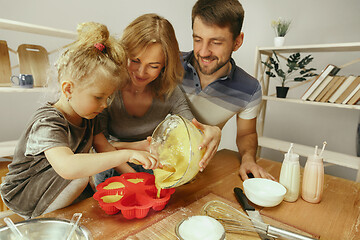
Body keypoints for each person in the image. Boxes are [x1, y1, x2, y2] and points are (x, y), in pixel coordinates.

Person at [0, 22, 159, 219]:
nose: (106, 104)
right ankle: (46, 221)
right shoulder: (48, 122)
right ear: (68, 89)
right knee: (82, 174)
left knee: (87, 181)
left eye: (109, 97)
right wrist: (126, 154)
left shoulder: (89, 116)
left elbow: (105, 148)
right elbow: (68, 167)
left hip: (60, 185)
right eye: (99, 97)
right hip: (27, 195)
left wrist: (136, 179)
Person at [95, 13, 221, 186]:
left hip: (151, 166)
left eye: (153, 66)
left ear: (164, 66)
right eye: (135, 60)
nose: (140, 72)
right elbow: (98, 144)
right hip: (110, 166)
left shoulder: (169, 90)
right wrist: (135, 156)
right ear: (124, 53)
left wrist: (211, 132)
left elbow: (190, 128)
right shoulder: (108, 86)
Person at [181, 0, 274, 180]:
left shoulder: (250, 89)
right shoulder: (167, 64)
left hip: (199, 171)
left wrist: (248, 159)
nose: (203, 52)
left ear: (237, 42)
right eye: (197, 39)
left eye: (215, 42)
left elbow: (247, 133)